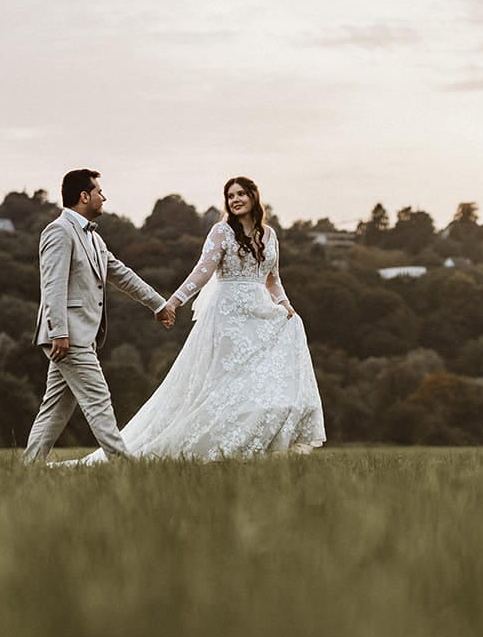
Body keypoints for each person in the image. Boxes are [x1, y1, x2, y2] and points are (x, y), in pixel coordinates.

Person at [73, 176, 325, 462]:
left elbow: (273, 279)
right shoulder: (221, 231)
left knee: (262, 382)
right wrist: (172, 302)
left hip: (261, 314)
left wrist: (285, 304)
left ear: (254, 197)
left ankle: (252, 445)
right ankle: (219, 447)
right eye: (231, 196)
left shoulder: (270, 235)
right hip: (230, 316)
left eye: (241, 194)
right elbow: (202, 272)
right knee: (227, 383)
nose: (236, 200)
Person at [22, 168, 172, 464]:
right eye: (99, 192)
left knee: (56, 407)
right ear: (84, 196)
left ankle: (29, 467)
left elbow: (121, 275)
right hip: (69, 335)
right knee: (98, 401)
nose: (104, 197)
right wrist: (58, 332)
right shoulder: (58, 231)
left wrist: (158, 303)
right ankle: (123, 465)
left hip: (82, 336)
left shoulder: (94, 238)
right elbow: (51, 285)